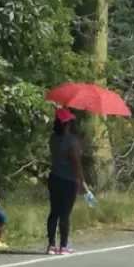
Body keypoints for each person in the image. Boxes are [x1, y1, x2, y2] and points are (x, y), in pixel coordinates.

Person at [46, 108, 88, 255]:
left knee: (54, 211)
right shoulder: (72, 141)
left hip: (54, 176)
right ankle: (63, 245)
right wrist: (81, 182)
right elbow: (76, 162)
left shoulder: (53, 138)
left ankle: (51, 244)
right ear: (68, 123)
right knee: (65, 213)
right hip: (68, 179)